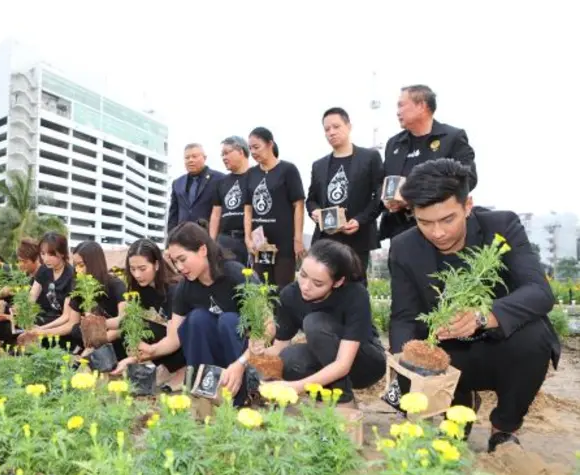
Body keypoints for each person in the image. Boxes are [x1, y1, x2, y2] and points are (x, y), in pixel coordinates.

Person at [389, 158, 559, 452]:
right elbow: (404, 316)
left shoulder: (501, 226)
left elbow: (539, 292)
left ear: (467, 206)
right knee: (409, 360)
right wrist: (403, 364)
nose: (437, 232)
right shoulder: (404, 247)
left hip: (502, 343)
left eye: (448, 219)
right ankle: (459, 406)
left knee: (535, 338)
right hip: (448, 350)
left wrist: (485, 316)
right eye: (424, 222)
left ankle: (504, 428)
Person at [225, 239, 386, 405]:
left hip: (365, 363)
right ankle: (327, 400)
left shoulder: (355, 295)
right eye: (302, 275)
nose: (305, 286)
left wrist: (295, 387)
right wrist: (248, 358)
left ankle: (344, 401)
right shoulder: (290, 295)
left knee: (315, 324)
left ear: (338, 282)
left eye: (317, 283)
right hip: (326, 359)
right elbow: (279, 347)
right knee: (289, 360)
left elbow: (343, 364)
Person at [141, 222, 251, 403]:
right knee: (196, 319)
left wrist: (240, 364)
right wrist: (151, 350)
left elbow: (266, 329)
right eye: (174, 261)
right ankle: (205, 392)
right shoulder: (185, 287)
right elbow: (174, 337)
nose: (179, 267)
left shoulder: (235, 275)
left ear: (202, 250)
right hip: (217, 356)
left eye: (182, 259)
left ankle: (241, 395)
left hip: (245, 357)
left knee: (229, 320)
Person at [380, 85, 477, 240]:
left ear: (421, 106)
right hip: (401, 230)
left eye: (401, 105)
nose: (397, 112)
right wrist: (388, 200)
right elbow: (384, 181)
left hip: (441, 229)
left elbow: (468, 178)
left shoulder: (452, 137)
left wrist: (416, 196)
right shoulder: (394, 144)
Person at [306, 108, 384, 281]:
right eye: (327, 129)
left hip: (357, 237)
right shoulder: (319, 165)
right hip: (326, 239)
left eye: (336, 126)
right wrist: (315, 212)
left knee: (355, 286)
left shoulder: (369, 157)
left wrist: (360, 220)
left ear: (349, 126)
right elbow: (311, 200)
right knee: (323, 285)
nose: (331, 132)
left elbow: (379, 196)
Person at [27, 241, 127, 357]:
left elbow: (123, 321)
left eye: (81, 265)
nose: (78, 270)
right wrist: (42, 332)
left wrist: (97, 335)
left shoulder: (116, 285)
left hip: (114, 341)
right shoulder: (79, 287)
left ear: (94, 264)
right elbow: (71, 323)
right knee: (76, 329)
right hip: (91, 339)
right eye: (76, 266)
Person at [111, 239, 186, 389]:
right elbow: (124, 320)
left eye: (142, 268)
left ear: (157, 265)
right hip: (155, 348)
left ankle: (178, 370)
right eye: (132, 269)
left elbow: (175, 335)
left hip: (177, 345)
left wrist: (132, 359)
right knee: (130, 324)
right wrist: (99, 323)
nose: (137, 275)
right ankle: (157, 367)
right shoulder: (138, 291)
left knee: (147, 327)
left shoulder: (174, 290)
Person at [243, 127, 306, 290]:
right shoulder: (251, 174)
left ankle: (283, 317)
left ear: (270, 144)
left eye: (256, 147)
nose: (253, 152)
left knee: (283, 289)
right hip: (261, 242)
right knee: (262, 289)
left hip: (283, 242)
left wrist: (297, 239)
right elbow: (248, 208)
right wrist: (248, 238)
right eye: (250, 148)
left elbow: (298, 204)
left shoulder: (287, 170)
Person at [166, 143, 225, 235]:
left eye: (194, 156)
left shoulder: (220, 179)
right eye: (187, 157)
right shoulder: (177, 183)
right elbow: (173, 215)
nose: (190, 160)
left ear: (204, 158)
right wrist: (170, 241)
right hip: (183, 238)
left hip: (208, 236)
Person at [209, 136, 250, 265]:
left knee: (252, 282)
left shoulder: (257, 177)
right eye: (222, 155)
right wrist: (211, 242)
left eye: (227, 153)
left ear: (241, 152)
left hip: (250, 240)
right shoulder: (221, 183)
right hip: (226, 240)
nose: (224, 158)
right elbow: (216, 215)